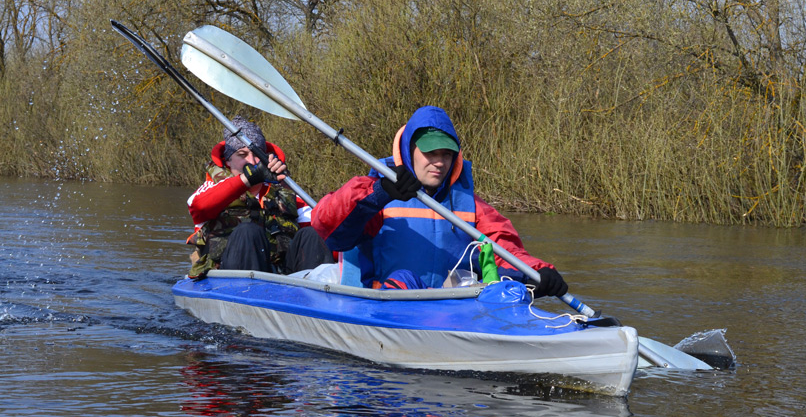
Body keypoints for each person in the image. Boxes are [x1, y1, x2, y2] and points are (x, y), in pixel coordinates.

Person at [311, 105, 568, 296]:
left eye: (446, 154)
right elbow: (326, 225)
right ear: (410, 151)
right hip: (386, 307)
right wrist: (380, 193)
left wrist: (536, 271)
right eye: (430, 152)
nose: (439, 162)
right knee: (404, 277)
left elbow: (505, 249)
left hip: (449, 309)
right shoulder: (377, 193)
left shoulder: (471, 206)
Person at [186, 116, 332, 278]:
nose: (252, 161)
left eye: (257, 154)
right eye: (242, 155)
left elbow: (326, 230)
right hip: (228, 275)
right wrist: (249, 178)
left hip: (281, 275)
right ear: (228, 161)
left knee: (312, 234)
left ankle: (316, 289)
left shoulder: (287, 193)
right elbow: (198, 207)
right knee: (248, 231)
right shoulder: (211, 188)